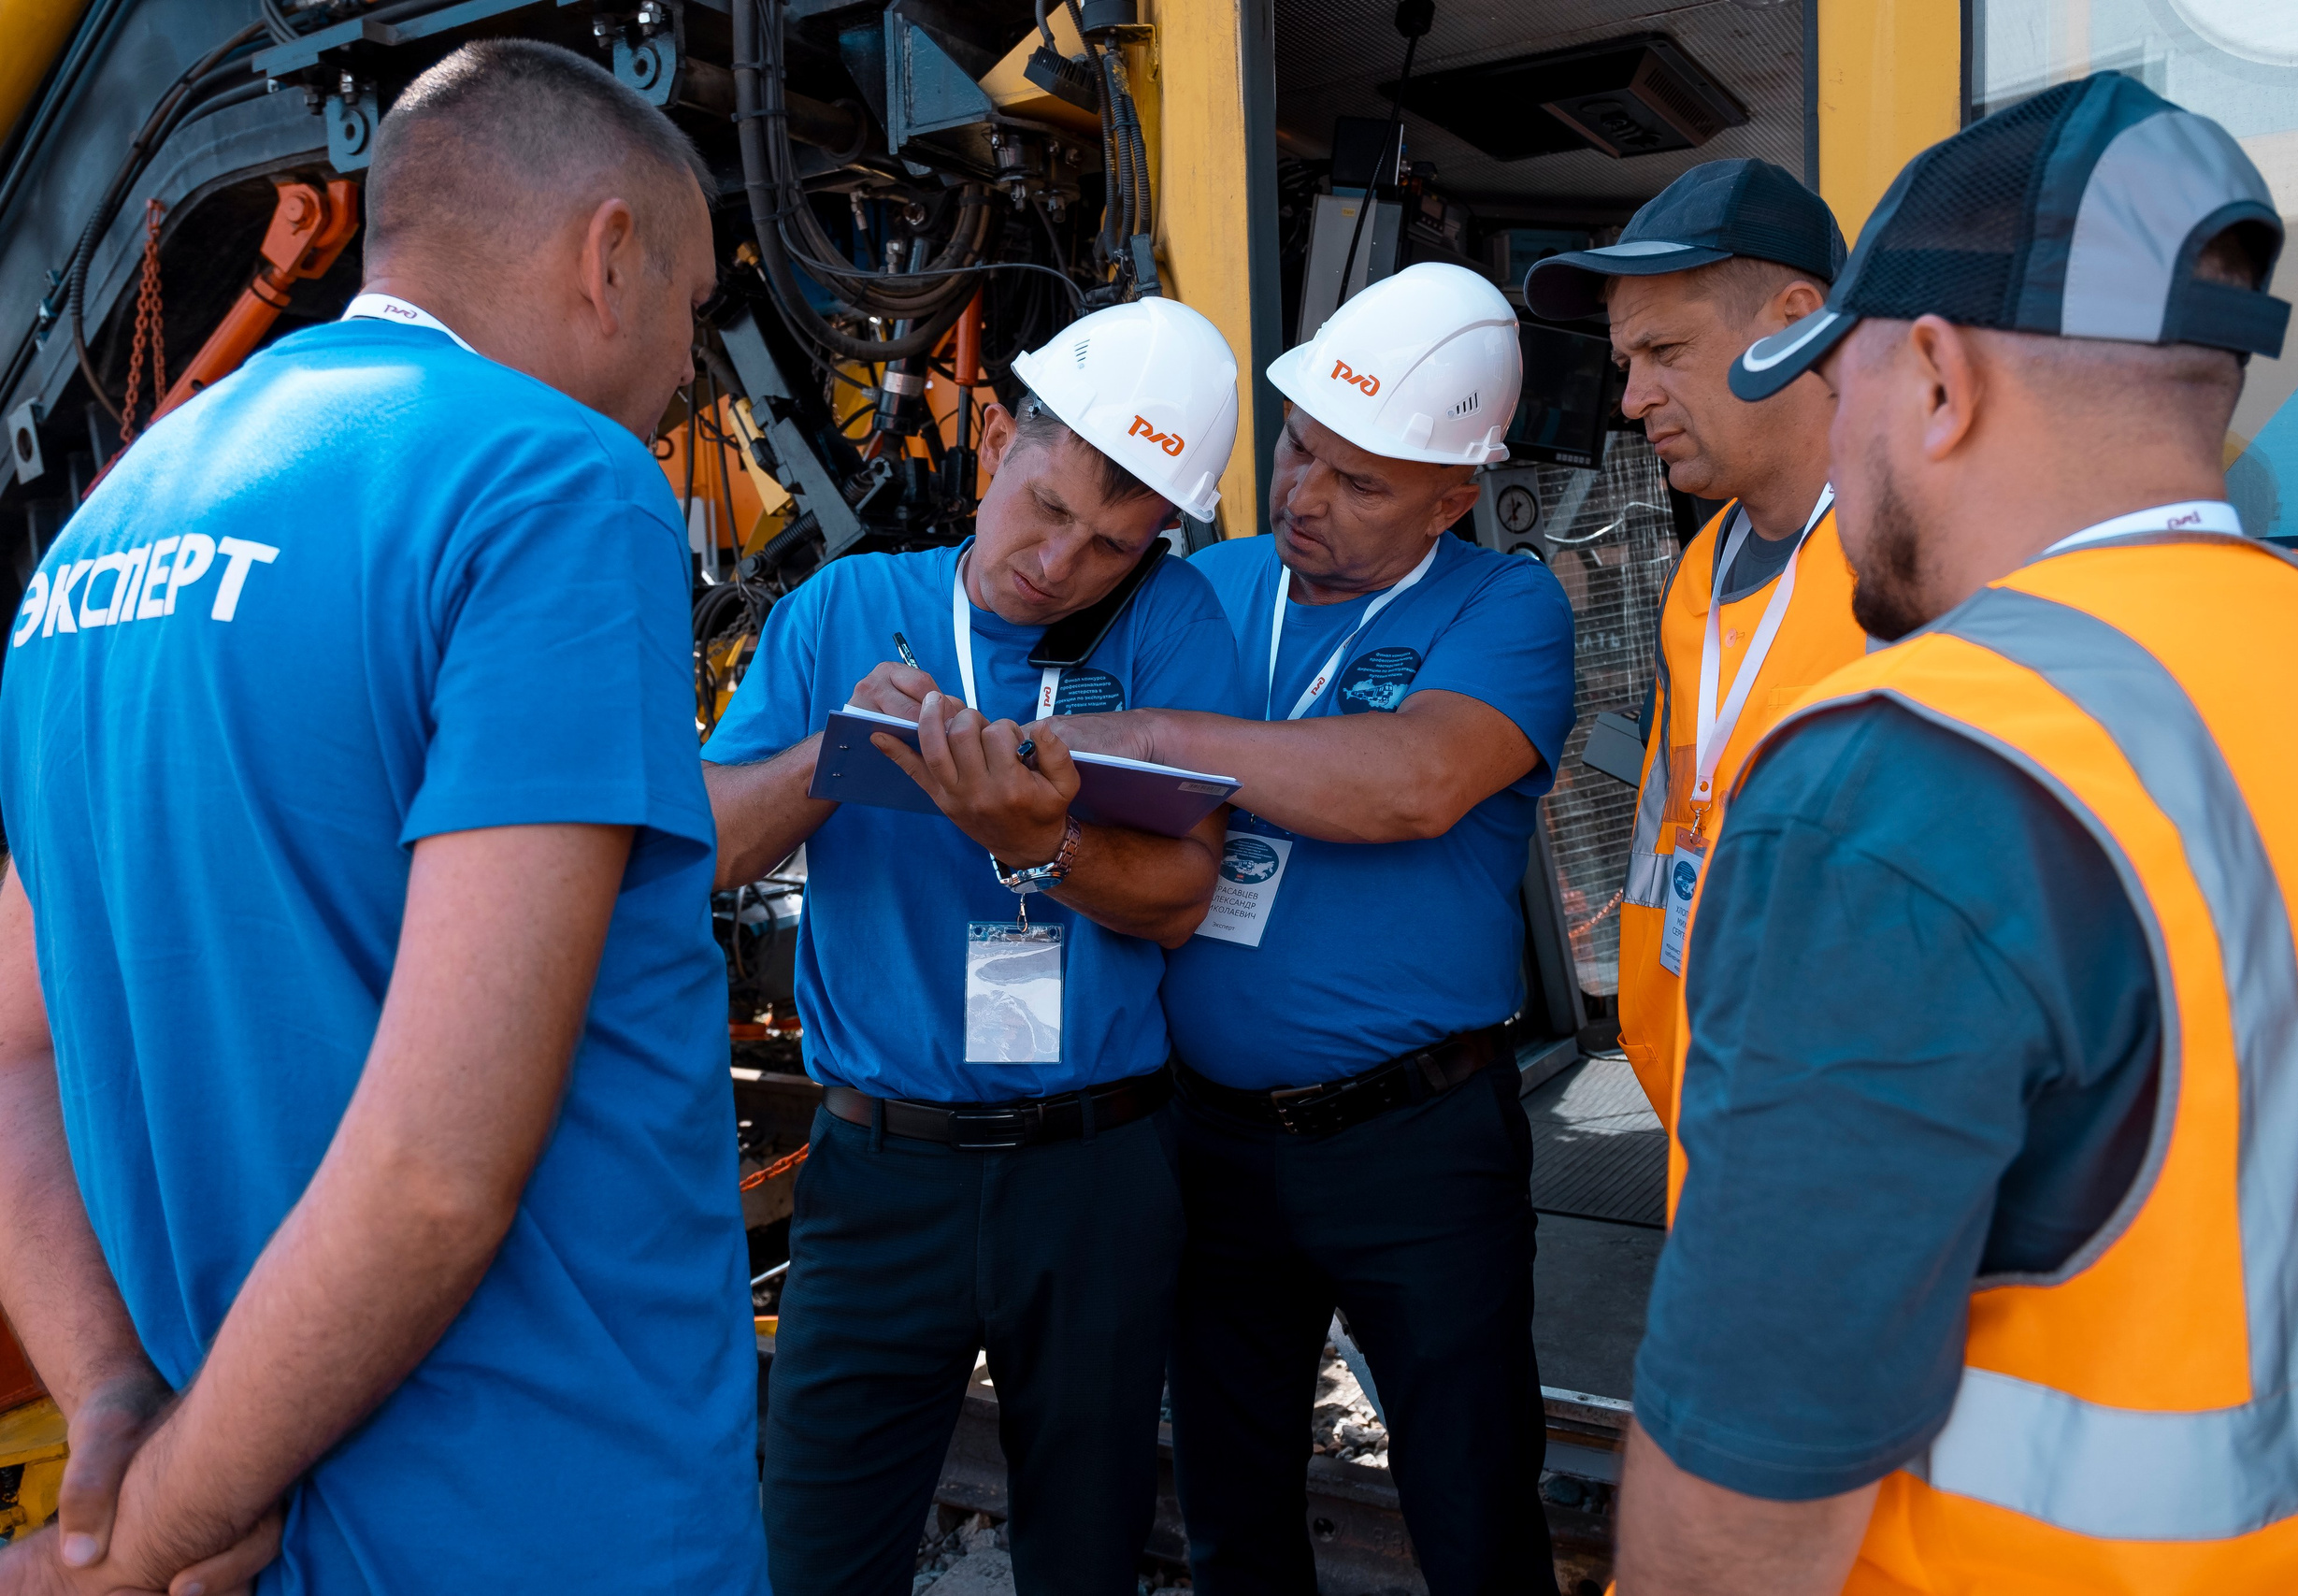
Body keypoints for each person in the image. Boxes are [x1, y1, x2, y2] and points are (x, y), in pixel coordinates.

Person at [0, 38, 765, 1596]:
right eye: (691, 310)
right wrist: (146, 1540)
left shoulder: (98, 540)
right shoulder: (551, 485)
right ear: (607, 252)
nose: (687, 371)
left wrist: (119, 1404)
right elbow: (434, 1166)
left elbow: (12, 1039)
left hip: (259, 1525)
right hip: (546, 1517)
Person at [1617, 73, 2298, 1593]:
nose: (1835, 464)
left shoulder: (1901, 778)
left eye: (1838, 399)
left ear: (1935, 380)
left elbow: (1742, 1505)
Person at [1044, 261, 1578, 1595]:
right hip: (1209, 1135)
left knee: (1471, 1504)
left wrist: (1163, 734)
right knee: (1232, 1509)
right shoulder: (1202, 587)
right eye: (1299, 451)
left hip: (1414, 1142)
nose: (1304, 496)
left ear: (1455, 494)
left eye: (1361, 481)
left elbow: (1410, 783)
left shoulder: (1503, 609)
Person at [701, 295, 1242, 1596]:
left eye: (1114, 543)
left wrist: (1039, 845)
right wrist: (834, 757)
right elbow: (706, 849)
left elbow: (1179, 895)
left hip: (1097, 1165)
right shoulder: (844, 609)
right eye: (1048, 506)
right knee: (818, 1551)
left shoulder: (1175, 627)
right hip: (883, 1166)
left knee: (1087, 1546)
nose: (1060, 562)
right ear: (997, 440)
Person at [1523, 160, 1863, 1125]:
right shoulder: (1702, 567)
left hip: (1846, 1134)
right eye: (1625, 362)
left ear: (1794, 318)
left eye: (1663, 351)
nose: (1632, 400)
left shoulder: (1924, 569)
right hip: (1705, 1104)